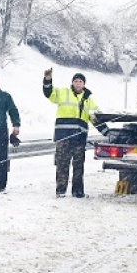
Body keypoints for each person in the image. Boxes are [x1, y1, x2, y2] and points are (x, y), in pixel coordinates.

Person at [43, 68, 97, 198]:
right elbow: (48, 93)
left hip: (80, 138)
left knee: (79, 166)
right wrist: (47, 80)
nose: (78, 83)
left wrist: (108, 132)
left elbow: (95, 118)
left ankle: (78, 191)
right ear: (72, 83)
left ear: (84, 84)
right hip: (64, 136)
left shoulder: (88, 99)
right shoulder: (63, 92)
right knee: (62, 164)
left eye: (80, 81)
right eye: (76, 81)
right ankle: (60, 190)